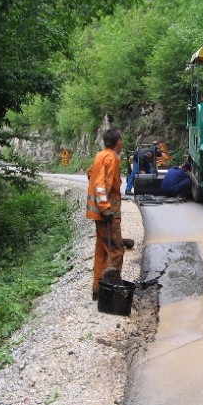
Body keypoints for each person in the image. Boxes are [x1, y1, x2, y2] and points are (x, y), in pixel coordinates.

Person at [86, 128, 125, 300]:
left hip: (98, 215)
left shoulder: (100, 156)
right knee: (116, 251)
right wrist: (105, 208)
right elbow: (101, 185)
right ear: (118, 142)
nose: (122, 143)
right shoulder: (111, 158)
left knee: (102, 252)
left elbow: (90, 174)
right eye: (122, 141)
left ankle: (98, 290)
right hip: (108, 215)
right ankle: (110, 292)